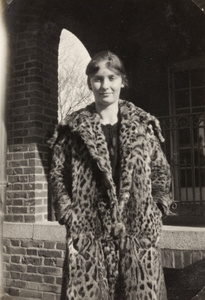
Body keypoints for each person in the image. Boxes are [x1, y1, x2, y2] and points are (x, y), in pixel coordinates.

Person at [49, 50, 172, 300]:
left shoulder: (142, 126)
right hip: (88, 238)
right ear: (89, 83)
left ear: (122, 81)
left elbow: (161, 172)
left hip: (138, 236)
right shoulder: (74, 129)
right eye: (98, 79)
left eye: (112, 78)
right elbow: (58, 175)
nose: (105, 85)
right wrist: (68, 213)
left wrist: (157, 210)